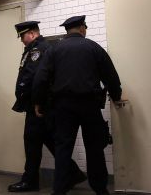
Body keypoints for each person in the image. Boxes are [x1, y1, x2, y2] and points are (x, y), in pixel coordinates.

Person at [33, 15, 125, 195]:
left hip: (63, 107)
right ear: (82, 28)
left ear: (68, 30)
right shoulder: (93, 47)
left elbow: (41, 78)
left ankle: (59, 190)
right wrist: (116, 96)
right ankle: (100, 188)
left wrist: (38, 102)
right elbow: (111, 76)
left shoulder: (54, 49)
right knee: (95, 148)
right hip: (90, 105)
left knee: (63, 149)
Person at [9, 22, 86, 192]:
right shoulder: (41, 47)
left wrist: (31, 99)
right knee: (48, 139)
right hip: (44, 103)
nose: (21, 40)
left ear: (32, 33)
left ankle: (30, 181)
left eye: (22, 36)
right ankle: (73, 173)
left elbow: (34, 77)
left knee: (31, 143)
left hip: (38, 103)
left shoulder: (38, 50)